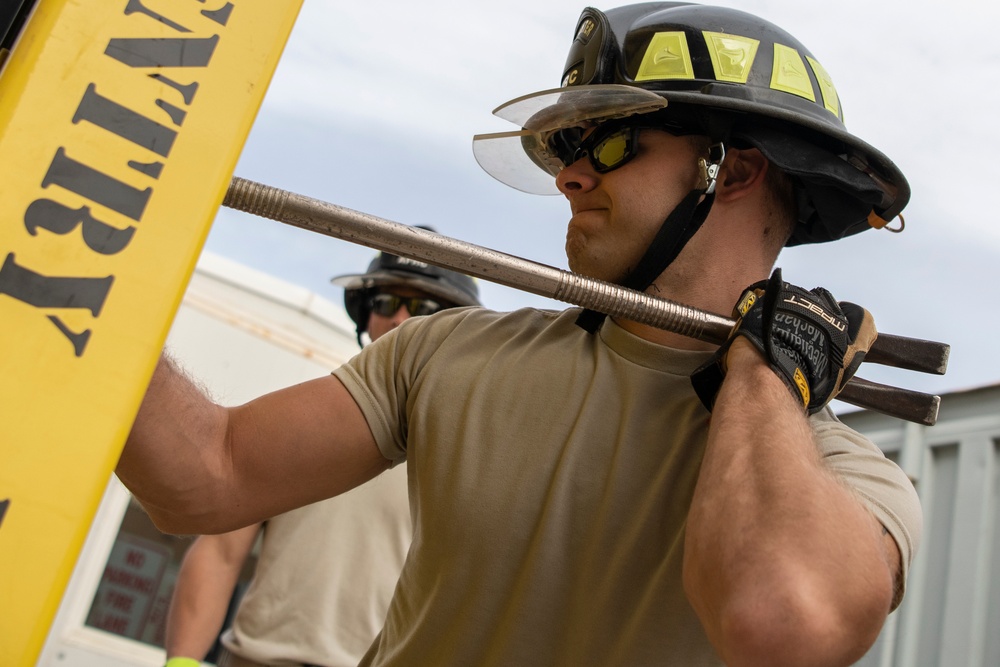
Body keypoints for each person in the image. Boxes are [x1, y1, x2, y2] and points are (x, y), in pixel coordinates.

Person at [120, 4, 923, 666]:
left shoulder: (850, 482)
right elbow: (206, 475)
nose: (571, 176)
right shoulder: (444, 354)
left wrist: (762, 372)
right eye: (567, 151)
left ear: (735, 172)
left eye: (608, 142)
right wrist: (68, 268)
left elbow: (778, 621)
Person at [161, 241, 481, 667]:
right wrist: (181, 661)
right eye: (386, 301)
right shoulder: (298, 426)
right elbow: (221, 552)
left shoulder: (470, 455)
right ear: (367, 313)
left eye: (422, 307)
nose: (400, 317)